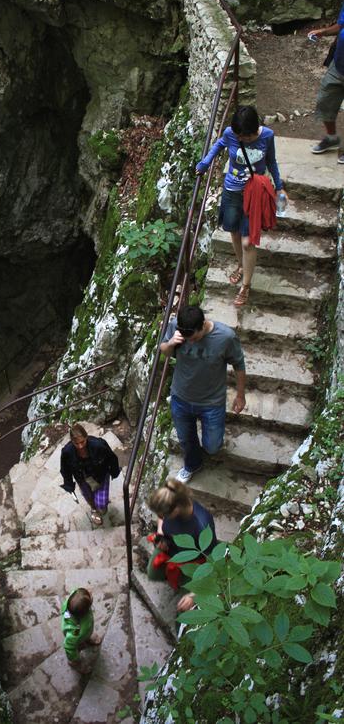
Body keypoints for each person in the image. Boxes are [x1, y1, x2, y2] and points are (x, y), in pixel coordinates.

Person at [196, 105, 285, 307]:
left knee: (248, 241)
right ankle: (241, 265)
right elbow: (219, 144)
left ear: (254, 131)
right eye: (238, 136)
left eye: (244, 137)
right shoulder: (231, 133)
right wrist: (205, 163)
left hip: (253, 195)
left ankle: (245, 285)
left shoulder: (267, 136)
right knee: (234, 233)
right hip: (231, 193)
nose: (240, 140)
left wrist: (279, 187)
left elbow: (272, 162)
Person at [161, 304, 246, 483]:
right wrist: (170, 343)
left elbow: (239, 364)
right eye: (187, 338)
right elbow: (164, 351)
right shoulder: (177, 326)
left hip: (211, 402)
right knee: (186, 439)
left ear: (203, 325)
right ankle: (192, 465)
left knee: (213, 447)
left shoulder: (225, 337)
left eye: (194, 337)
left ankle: (210, 442)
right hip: (180, 397)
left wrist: (240, 395)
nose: (190, 341)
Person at [146, 478, 217, 613]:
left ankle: (182, 584)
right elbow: (161, 518)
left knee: (184, 608)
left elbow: (212, 562)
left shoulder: (201, 525)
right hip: (170, 548)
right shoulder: (170, 500)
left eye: (165, 514)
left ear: (177, 507)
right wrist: (161, 534)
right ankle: (175, 580)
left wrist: (193, 595)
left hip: (193, 561)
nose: (161, 517)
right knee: (152, 573)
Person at [308, 0, 344, 165]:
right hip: (339, 64)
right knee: (325, 100)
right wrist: (322, 32)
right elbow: (341, 25)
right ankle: (331, 138)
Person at [60, 424, 121, 526]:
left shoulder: (99, 445)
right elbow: (65, 469)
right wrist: (69, 484)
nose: (80, 446)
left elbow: (112, 458)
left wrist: (114, 471)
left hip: (100, 475)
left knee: (101, 503)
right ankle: (93, 509)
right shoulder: (67, 452)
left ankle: (100, 507)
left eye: (82, 442)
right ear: (71, 441)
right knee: (88, 496)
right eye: (76, 443)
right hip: (82, 477)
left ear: (86, 437)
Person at [61, 587, 100, 672]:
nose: (90, 592)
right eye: (90, 595)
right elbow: (69, 646)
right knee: (77, 643)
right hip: (78, 635)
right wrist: (74, 658)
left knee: (85, 633)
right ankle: (74, 663)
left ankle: (87, 638)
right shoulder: (75, 633)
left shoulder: (73, 599)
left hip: (84, 631)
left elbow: (77, 594)